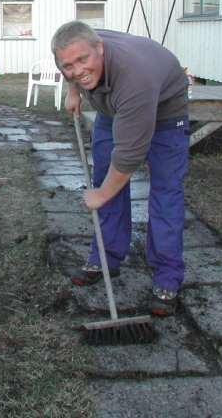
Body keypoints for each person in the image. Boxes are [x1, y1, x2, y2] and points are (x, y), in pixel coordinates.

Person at [51, 21, 190, 316]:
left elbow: (129, 156)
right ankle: (106, 257)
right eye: (68, 65)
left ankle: (167, 276)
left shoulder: (134, 80)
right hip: (114, 107)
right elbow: (70, 63)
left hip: (165, 111)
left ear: (99, 48)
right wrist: (73, 92)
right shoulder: (72, 50)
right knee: (106, 177)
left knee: (165, 191)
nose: (77, 69)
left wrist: (101, 195)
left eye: (83, 60)